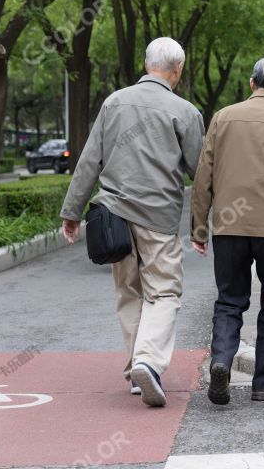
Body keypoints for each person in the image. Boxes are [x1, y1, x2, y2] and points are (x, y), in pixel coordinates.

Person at [60, 37, 205, 407]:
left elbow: (90, 159)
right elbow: (200, 173)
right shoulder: (185, 111)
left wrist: (71, 212)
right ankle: (149, 363)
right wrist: (202, 226)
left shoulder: (113, 102)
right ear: (178, 70)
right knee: (165, 292)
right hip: (158, 217)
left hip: (114, 217)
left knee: (129, 292)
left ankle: (138, 373)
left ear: (145, 65)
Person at [191, 57, 264, 406]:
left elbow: (204, 176)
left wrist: (199, 227)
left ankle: (222, 361)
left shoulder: (223, 118)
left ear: (250, 83)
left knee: (229, 300)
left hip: (229, 226)